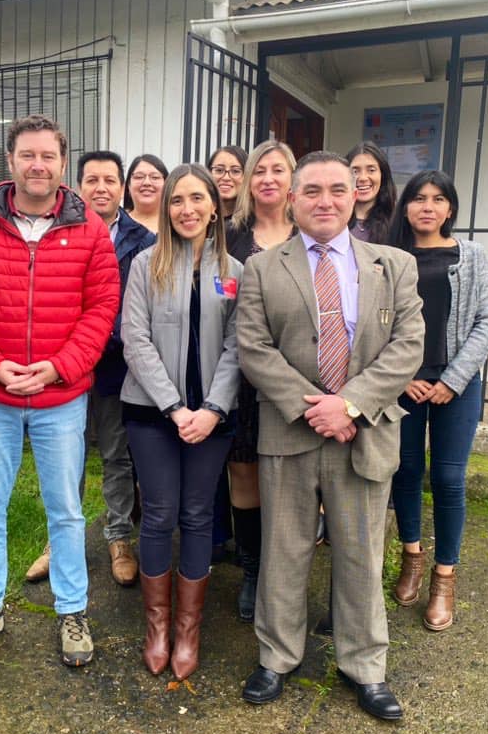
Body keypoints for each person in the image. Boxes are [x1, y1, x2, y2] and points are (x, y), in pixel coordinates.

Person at [236, 151, 423, 721]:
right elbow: (253, 347)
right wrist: (313, 408)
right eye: (311, 190)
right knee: (283, 551)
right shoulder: (263, 268)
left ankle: (364, 667)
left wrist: (350, 405)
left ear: (354, 197)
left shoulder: (392, 265)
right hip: (291, 432)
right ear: (291, 199)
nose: (325, 201)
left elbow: (408, 346)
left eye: (337, 190)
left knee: (361, 555)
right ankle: (276, 656)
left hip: (362, 433)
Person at [0, 115, 118, 667]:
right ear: (11, 162)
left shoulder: (89, 227)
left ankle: (72, 612)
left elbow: (101, 308)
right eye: (27, 155)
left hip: (61, 396)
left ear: (62, 163)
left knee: (65, 510)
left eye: (48, 155)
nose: (37, 165)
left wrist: (59, 367)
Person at [121, 163, 242, 681]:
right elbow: (135, 339)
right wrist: (174, 407)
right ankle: (157, 626)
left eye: (197, 199)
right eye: (177, 200)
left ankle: (188, 629)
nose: (187, 209)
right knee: (158, 515)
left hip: (214, 418)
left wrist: (212, 409)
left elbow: (241, 345)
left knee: (197, 516)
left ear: (215, 206)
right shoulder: (146, 265)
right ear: (166, 208)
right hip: (153, 414)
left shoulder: (236, 270)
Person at [23, 150, 156, 587]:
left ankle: (119, 537)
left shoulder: (144, 240)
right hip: (63, 366)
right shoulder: (61, 229)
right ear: (79, 185)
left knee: (117, 456)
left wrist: (108, 341)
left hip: (119, 367)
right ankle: (60, 541)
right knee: (66, 457)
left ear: (122, 187)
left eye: (110, 180)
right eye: (92, 180)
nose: (101, 188)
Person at [387, 170, 488, 631]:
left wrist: (453, 378)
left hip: (457, 383)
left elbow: (486, 321)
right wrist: (404, 374)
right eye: (418, 198)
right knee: (406, 469)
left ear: (450, 208)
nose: (427, 207)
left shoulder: (471, 255)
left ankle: (444, 578)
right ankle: (411, 556)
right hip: (405, 384)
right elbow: (378, 324)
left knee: (449, 478)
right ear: (406, 207)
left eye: (437, 199)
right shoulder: (390, 257)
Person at [224, 140, 298, 623]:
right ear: (249, 182)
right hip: (243, 377)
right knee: (244, 474)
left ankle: (282, 572)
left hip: (298, 377)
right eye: (259, 171)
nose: (268, 178)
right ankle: (252, 570)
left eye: (278, 170)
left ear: (292, 179)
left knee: (292, 480)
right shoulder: (230, 238)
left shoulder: (311, 233)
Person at [346, 141, 396, 244]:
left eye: (371, 170)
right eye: (355, 171)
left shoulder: (397, 222)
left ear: (383, 175)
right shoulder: (334, 220)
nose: (363, 178)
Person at [124, 154, 169, 234]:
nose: (146, 183)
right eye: (139, 177)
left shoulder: (176, 224)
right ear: (128, 186)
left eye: (155, 177)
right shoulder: (116, 224)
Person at [207, 145, 247, 220]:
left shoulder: (256, 224)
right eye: (219, 170)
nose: (226, 178)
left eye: (235, 171)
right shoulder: (198, 218)